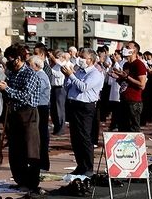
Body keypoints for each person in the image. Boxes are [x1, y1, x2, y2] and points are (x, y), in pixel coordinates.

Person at [0, 44, 42, 192]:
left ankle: (31, 183)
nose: (8, 62)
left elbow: (25, 96)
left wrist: (6, 88)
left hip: (28, 114)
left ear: (19, 59)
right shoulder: (12, 72)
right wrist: (2, 89)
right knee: (15, 149)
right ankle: (20, 180)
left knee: (30, 149)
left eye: (10, 59)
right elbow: (10, 93)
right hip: (13, 113)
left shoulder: (30, 74)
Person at [62, 48, 104, 177]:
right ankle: (80, 165)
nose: (79, 59)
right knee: (75, 138)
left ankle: (88, 167)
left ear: (90, 60)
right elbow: (69, 86)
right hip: (73, 104)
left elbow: (83, 87)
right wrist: (68, 77)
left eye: (82, 57)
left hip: (85, 107)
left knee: (85, 137)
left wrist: (71, 75)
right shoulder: (79, 71)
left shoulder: (95, 74)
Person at [113, 41, 147, 132]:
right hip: (124, 99)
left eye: (128, 47)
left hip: (134, 101)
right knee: (123, 127)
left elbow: (142, 85)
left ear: (134, 50)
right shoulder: (126, 64)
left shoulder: (139, 64)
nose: (125, 49)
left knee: (133, 129)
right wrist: (118, 77)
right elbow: (125, 82)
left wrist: (127, 77)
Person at [28, 55, 51, 171]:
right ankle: (37, 162)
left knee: (42, 135)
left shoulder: (41, 76)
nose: (28, 67)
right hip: (38, 107)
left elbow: (34, 91)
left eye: (30, 64)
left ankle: (43, 163)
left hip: (41, 107)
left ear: (36, 66)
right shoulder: (36, 75)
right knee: (37, 135)